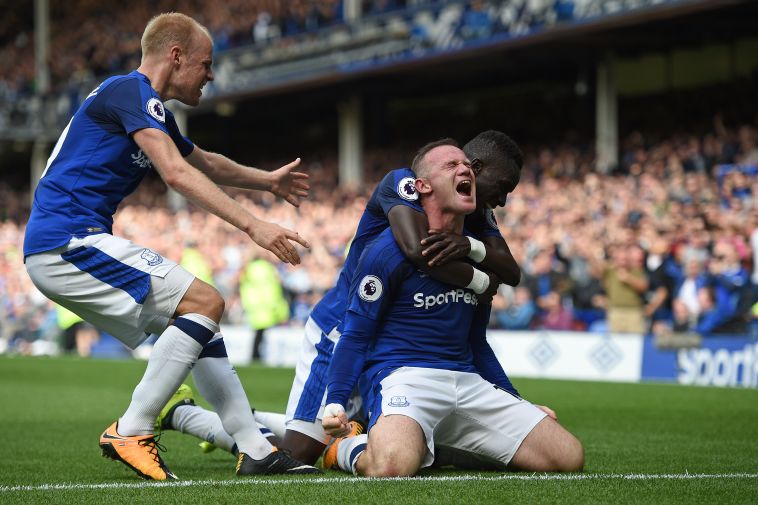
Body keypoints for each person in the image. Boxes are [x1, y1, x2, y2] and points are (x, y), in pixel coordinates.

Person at [22, 12, 319, 480]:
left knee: (200, 320)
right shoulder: (129, 91)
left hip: (68, 243)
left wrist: (267, 181)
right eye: (206, 63)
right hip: (66, 240)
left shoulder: (149, 110)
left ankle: (255, 448)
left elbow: (206, 162)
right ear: (176, 56)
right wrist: (253, 226)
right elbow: (177, 175)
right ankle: (133, 426)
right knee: (207, 300)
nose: (211, 73)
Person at [153, 130, 526, 465]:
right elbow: (418, 251)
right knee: (298, 454)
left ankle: (269, 423)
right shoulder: (405, 183)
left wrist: (470, 245)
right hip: (343, 327)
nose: (504, 199)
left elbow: (510, 271)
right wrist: (481, 281)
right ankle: (186, 415)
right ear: (474, 167)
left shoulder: (477, 214)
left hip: (391, 347)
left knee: (346, 430)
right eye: (504, 184)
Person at [321, 140, 584, 476]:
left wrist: (516, 401)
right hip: (404, 377)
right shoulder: (388, 250)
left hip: (467, 381)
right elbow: (356, 335)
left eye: (466, 165)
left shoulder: (478, 256)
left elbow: (477, 344)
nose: (464, 170)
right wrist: (336, 402)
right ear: (422, 187)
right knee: (391, 467)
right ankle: (346, 449)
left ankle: (438, 445)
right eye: (451, 165)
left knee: (567, 457)